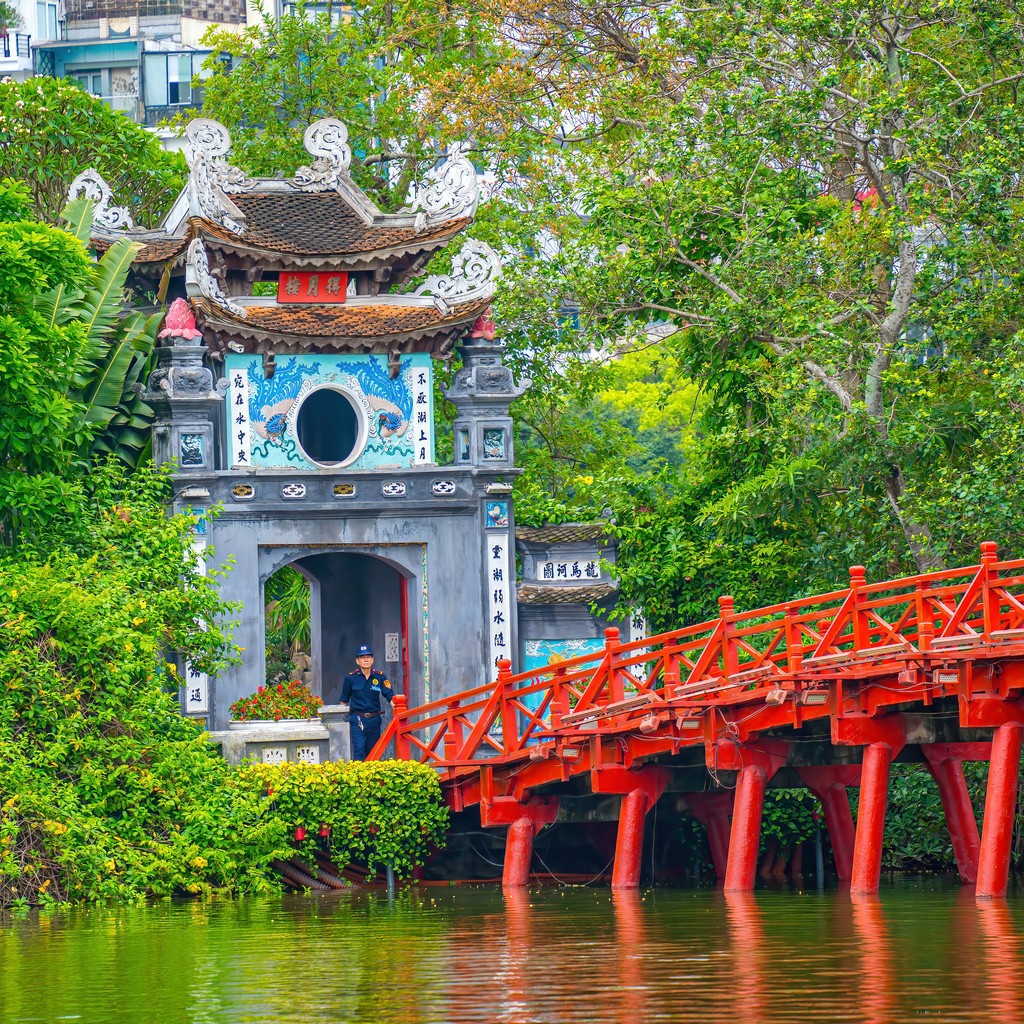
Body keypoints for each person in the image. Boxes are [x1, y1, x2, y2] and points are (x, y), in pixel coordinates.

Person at [341, 643, 394, 760]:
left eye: (368, 657)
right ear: (357, 661)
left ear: (372, 660)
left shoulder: (380, 677)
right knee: (359, 749)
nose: (366, 659)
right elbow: (343, 701)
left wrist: (397, 708)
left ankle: (373, 778)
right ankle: (359, 777)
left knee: (374, 751)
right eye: (362, 657)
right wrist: (341, 721)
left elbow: (389, 695)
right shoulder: (350, 678)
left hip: (374, 719)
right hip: (357, 719)